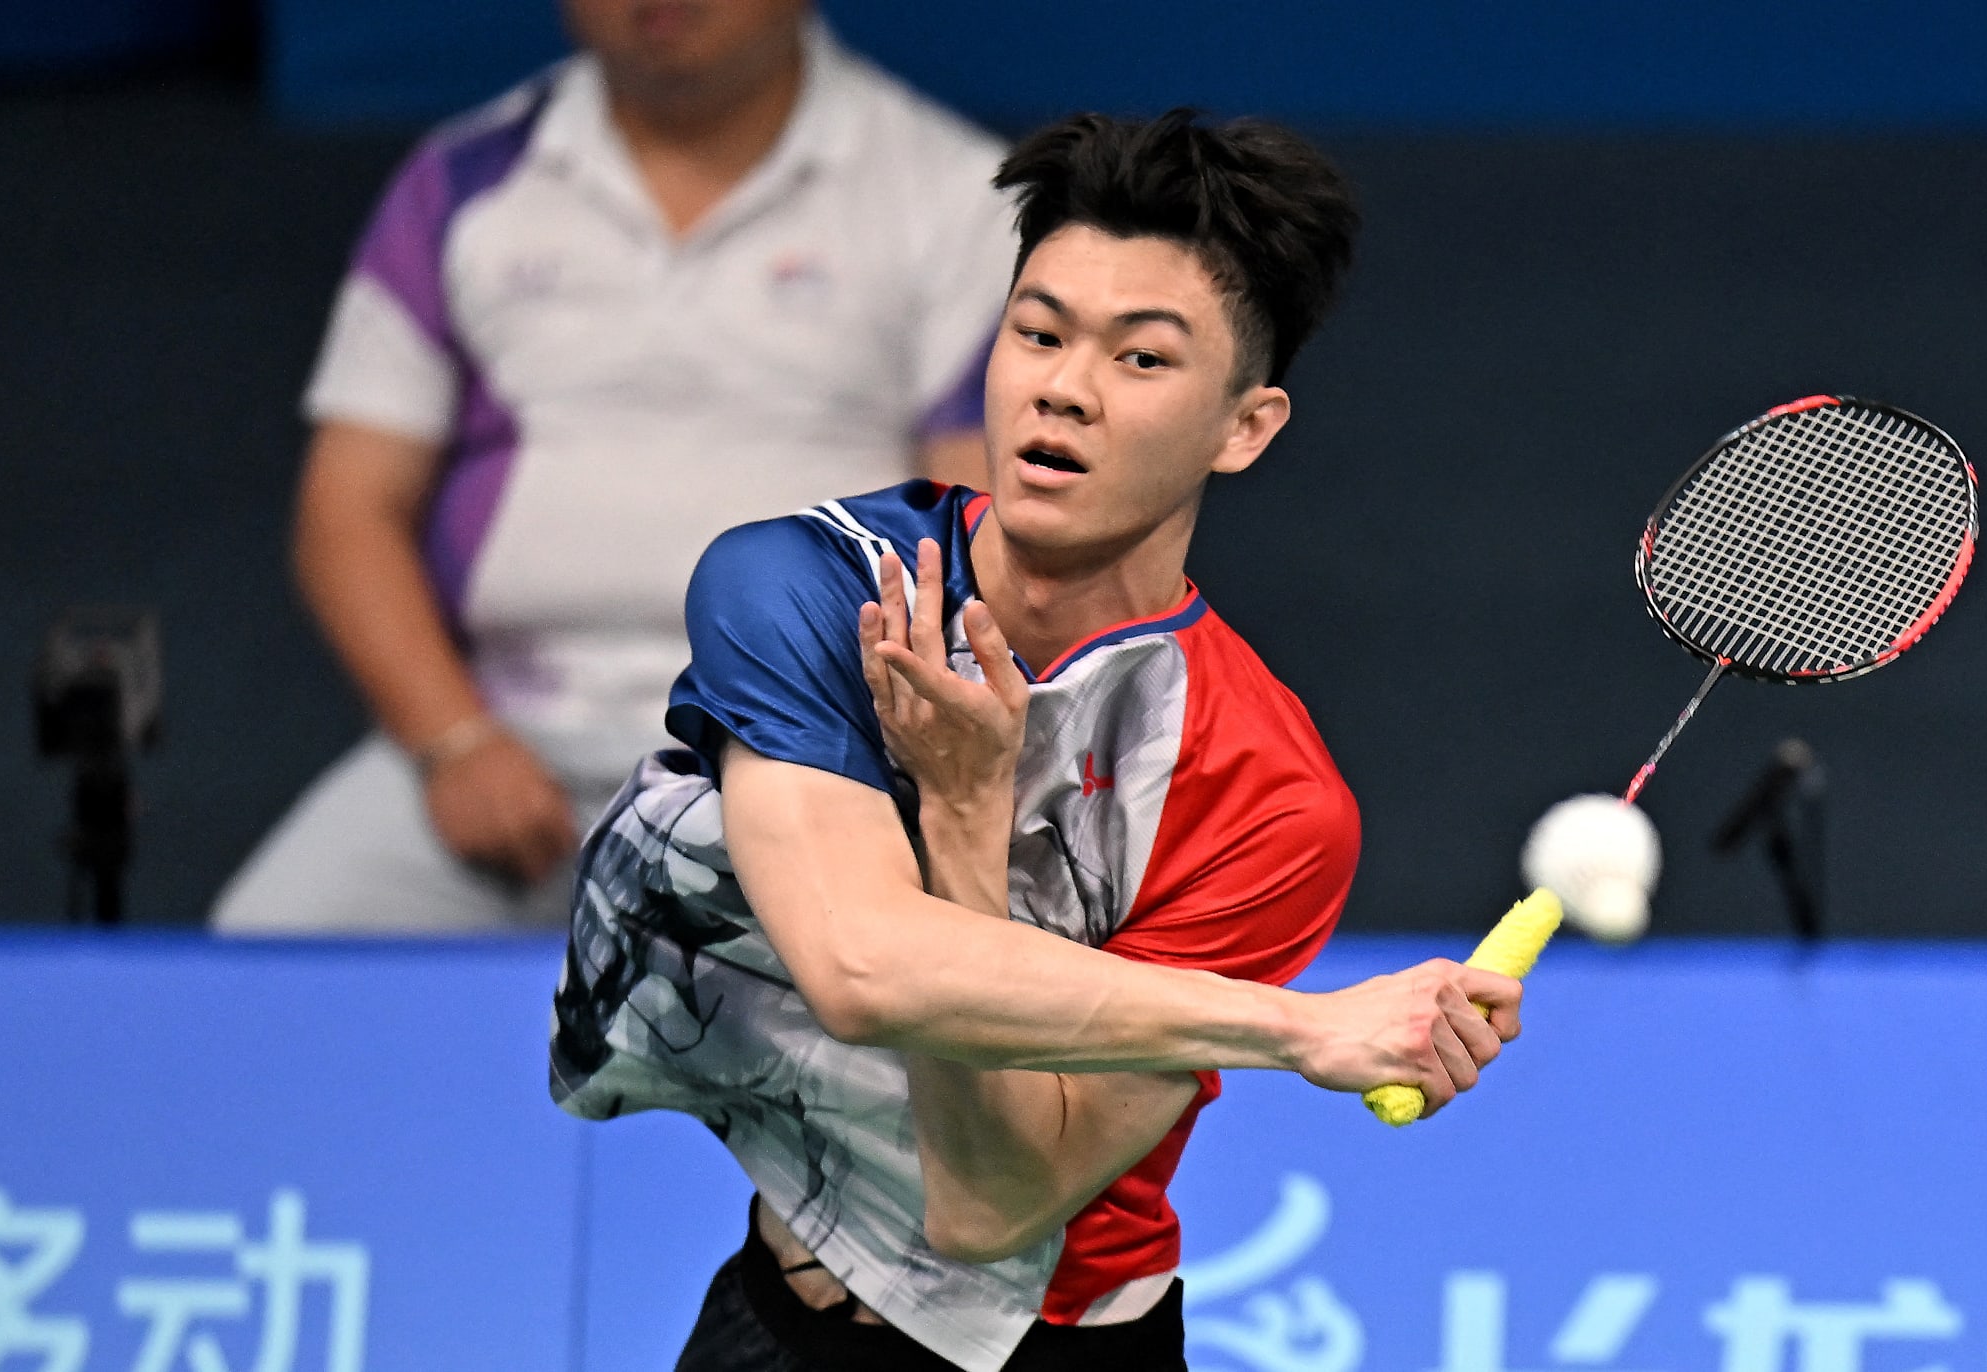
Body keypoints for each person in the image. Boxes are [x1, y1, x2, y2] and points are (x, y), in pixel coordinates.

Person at [549, 110, 1524, 1371]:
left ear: (1244, 427)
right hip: (775, 1317)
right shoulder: (812, 588)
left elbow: (989, 1205)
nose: (1063, 386)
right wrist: (1295, 1029)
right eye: (1038, 332)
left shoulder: (1268, 796)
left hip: (1056, 1345)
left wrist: (968, 828)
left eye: (1142, 357)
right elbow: (856, 965)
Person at [211, 0, 1013, 935]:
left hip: (811, 737)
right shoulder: (460, 181)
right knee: (260, 953)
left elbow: (977, 534)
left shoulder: (954, 197)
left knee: (886, 988)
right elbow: (348, 513)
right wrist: (454, 743)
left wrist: (841, 757)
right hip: (509, 735)